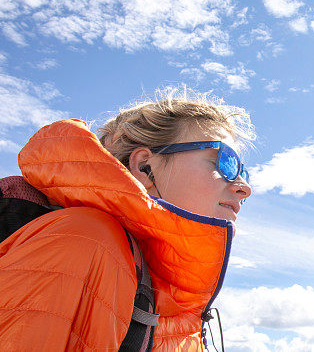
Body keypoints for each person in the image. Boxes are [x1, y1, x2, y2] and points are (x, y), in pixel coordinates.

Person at [0, 88, 254, 350]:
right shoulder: (86, 240)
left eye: (242, 171)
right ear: (145, 166)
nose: (244, 186)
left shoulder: (165, 286)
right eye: (225, 162)